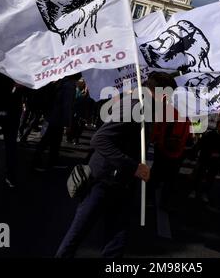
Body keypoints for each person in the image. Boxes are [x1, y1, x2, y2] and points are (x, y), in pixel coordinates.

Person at [55, 72, 177, 258]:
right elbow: (100, 140)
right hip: (102, 181)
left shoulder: (147, 109)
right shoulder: (134, 106)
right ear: (164, 93)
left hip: (122, 184)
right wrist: (134, 167)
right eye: (170, 96)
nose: (170, 101)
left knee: (117, 241)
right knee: (77, 234)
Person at [189, 118, 220, 203]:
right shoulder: (210, 135)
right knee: (199, 176)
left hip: (216, 163)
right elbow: (201, 145)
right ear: (217, 126)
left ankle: (204, 193)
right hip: (205, 160)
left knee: (210, 179)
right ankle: (194, 191)